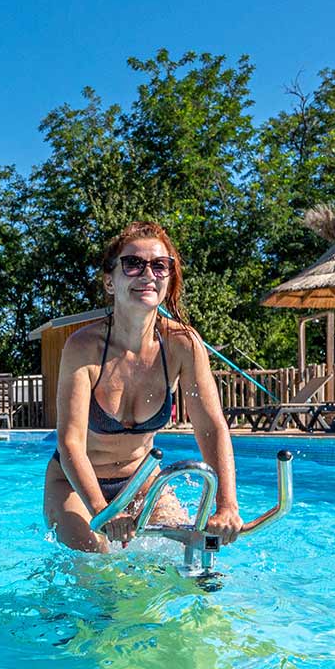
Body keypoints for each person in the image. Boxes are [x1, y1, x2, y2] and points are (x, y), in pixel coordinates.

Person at [43, 221, 242, 553]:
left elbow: (211, 427)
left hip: (142, 484)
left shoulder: (183, 345)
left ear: (169, 278)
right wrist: (101, 511)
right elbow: (70, 443)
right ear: (110, 281)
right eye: (132, 264)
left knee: (187, 558)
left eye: (159, 265)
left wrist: (226, 505)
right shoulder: (83, 347)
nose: (147, 273)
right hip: (73, 485)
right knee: (96, 570)